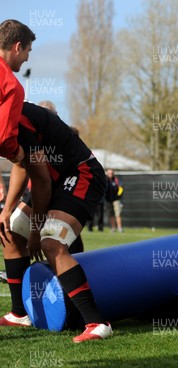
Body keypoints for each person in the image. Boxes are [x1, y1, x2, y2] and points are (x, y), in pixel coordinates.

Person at [0, 102, 112, 342]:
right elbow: (21, 165)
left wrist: (35, 230)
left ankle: (98, 323)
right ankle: (20, 313)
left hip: (81, 174)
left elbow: (41, 183)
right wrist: (7, 210)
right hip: (54, 179)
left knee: (51, 242)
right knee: (8, 230)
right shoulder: (8, 117)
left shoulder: (13, 116)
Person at [0, 19, 35, 163]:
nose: (27, 58)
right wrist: (15, 151)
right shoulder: (11, 85)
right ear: (18, 47)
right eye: (28, 51)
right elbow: (4, 138)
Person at [105, 169, 123, 233]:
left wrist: (117, 196)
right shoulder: (105, 180)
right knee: (111, 215)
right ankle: (113, 228)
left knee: (118, 214)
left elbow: (121, 188)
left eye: (112, 173)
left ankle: (120, 228)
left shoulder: (116, 180)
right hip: (108, 200)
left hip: (116, 200)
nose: (110, 174)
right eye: (109, 173)